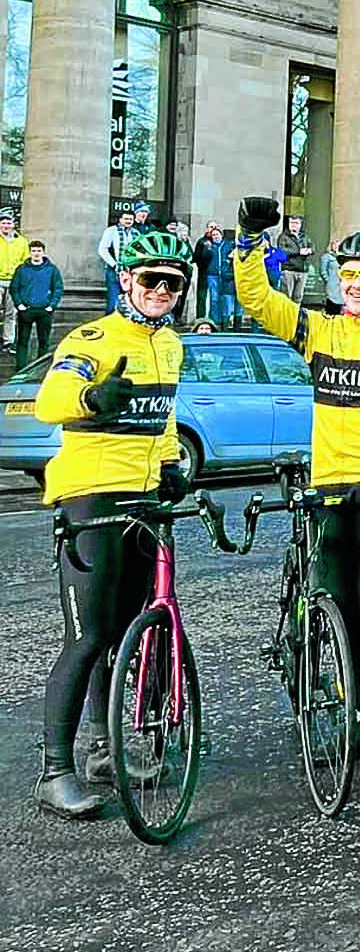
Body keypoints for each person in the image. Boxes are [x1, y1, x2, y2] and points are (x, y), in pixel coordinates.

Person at [233, 197, 360, 788]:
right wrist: (250, 241)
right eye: (347, 276)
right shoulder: (319, 330)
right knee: (337, 612)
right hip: (327, 492)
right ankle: (352, 717)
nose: (355, 285)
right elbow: (256, 300)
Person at [32, 229, 192, 818]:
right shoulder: (92, 336)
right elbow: (51, 400)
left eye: (172, 283)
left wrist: (172, 463)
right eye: (150, 280)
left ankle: (104, 748)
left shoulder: (172, 345)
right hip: (90, 497)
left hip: (145, 500)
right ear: (126, 280)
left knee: (126, 631)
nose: (161, 291)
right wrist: (94, 398)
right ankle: (54, 772)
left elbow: (164, 417)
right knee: (89, 635)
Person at [12, 240, 63, 367]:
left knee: (44, 341)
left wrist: (52, 305)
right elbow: (14, 287)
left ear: (43, 252)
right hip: (26, 309)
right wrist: (19, 305)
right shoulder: (22, 269)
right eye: (34, 251)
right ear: (29, 253)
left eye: (39, 251)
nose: (36, 253)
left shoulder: (52, 270)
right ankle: (20, 368)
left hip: (44, 310)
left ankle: (40, 368)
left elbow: (58, 288)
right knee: (22, 341)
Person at [0, 208, 30, 350]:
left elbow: (25, 263)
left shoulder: (22, 242)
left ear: (14, 224)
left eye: (8, 223)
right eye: (3, 223)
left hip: (13, 283)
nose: (6, 226)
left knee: (11, 314)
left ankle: (8, 342)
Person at [97, 210, 133, 314]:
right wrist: (114, 264)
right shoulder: (111, 231)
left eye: (130, 219)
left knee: (129, 301)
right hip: (114, 270)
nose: (128, 221)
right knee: (113, 300)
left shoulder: (135, 233)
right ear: (120, 219)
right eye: (126, 219)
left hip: (130, 271)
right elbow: (102, 249)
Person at [277, 215, 312, 303]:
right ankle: (285, 316)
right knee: (286, 296)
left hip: (302, 270)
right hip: (289, 269)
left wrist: (309, 251)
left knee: (298, 296)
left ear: (300, 224)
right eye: (291, 223)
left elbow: (312, 248)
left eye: (296, 223)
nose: (294, 225)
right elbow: (282, 250)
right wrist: (299, 251)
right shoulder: (283, 237)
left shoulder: (305, 237)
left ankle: (295, 315)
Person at [191, 220, 219, 322]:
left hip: (216, 274)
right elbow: (196, 257)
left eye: (215, 227)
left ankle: (214, 319)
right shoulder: (202, 241)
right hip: (204, 272)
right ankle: (200, 317)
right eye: (211, 227)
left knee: (215, 297)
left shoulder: (219, 242)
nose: (213, 229)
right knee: (202, 296)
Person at [318, 249, 345, 316]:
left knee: (340, 306)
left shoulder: (343, 257)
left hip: (341, 285)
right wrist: (328, 281)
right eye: (335, 244)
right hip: (332, 285)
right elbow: (323, 271)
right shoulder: (327, 256)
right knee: (332, 305)